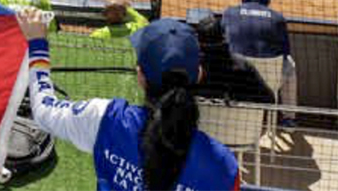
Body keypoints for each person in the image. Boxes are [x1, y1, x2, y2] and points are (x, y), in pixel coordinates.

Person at [18, 12, 240, 191]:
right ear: (199, 74)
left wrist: (37, 44)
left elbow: (44, 110)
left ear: (140, 75)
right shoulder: (224, 166)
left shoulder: (106, 119)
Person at [222, 0, 297, 125]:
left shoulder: (229, 13)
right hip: (269, 82)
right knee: (291, 64)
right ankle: (289, 118)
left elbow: (223, 45)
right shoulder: (278, 18)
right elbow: (285, 52)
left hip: (236, 78)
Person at [194, 14, 275, 104]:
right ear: (225, 39)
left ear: (198, 42)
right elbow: (269, 99)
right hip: (239, 116)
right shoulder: (242, 67)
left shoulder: (192, 67)